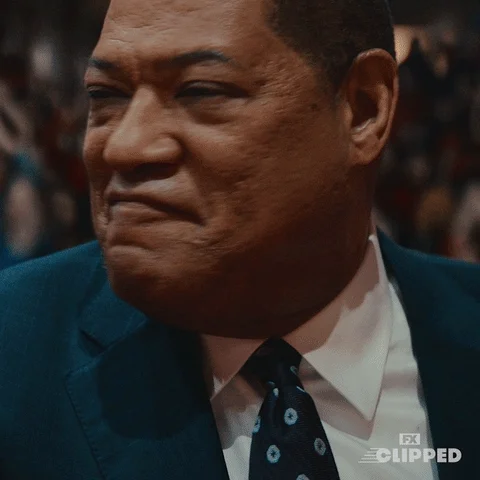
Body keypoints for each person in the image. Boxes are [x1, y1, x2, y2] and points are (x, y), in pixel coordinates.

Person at [0, 0, 478, 479]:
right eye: (105, 95)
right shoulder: (15, 351)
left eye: (200, 91)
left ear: (362, 108)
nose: (124, 146)